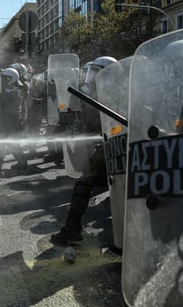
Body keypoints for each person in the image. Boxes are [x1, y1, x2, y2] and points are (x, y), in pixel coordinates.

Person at [50, 56, 116, 246]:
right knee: (85, 178)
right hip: (106, 147)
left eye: (95, 73)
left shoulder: (120, 93)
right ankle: (72, 227)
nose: (91, 77)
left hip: (123, 147)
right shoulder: (92, 97)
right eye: (90, 72)